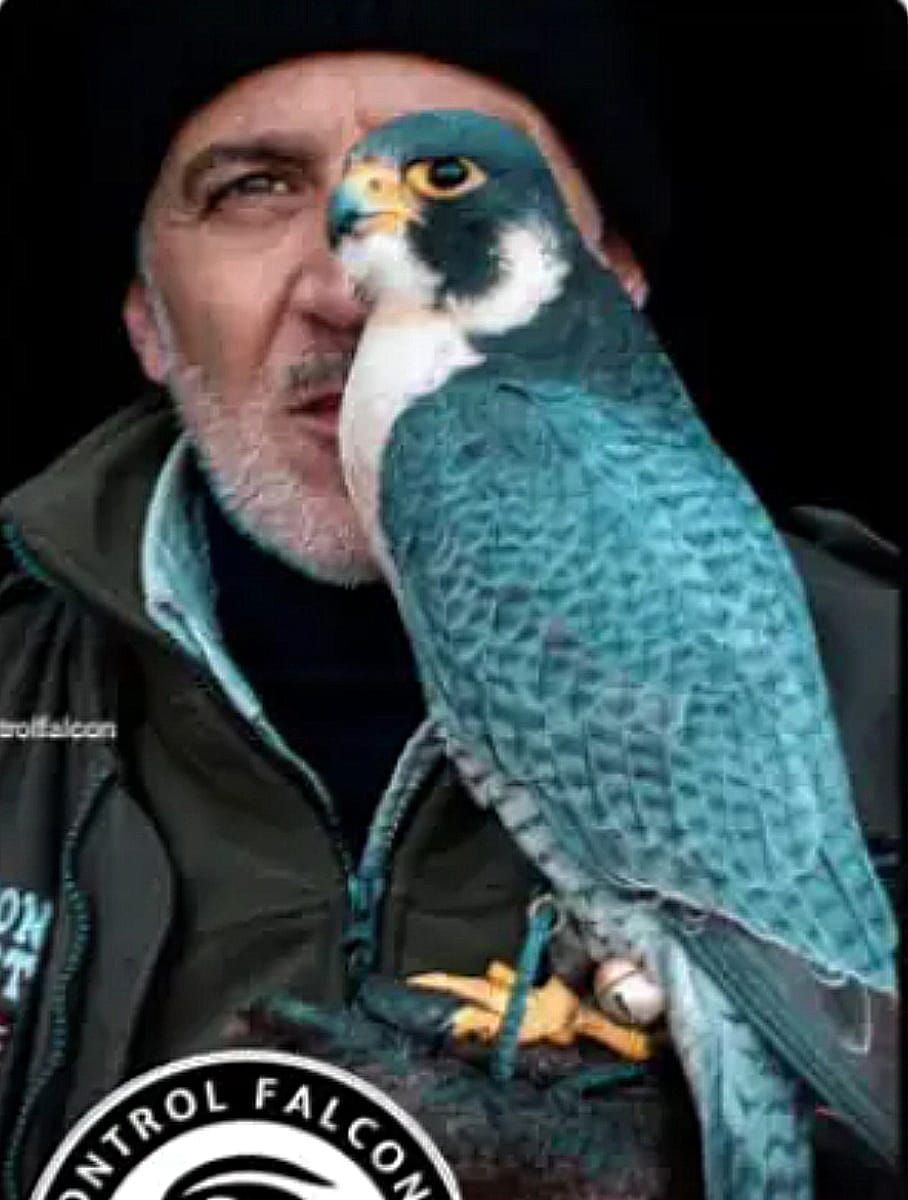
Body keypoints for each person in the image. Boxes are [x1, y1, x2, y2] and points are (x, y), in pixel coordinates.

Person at [0, 3, 898, 1197]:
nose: (346, 286)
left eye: (449, 175)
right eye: (258, 188)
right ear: (142, 317)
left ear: (611, 272)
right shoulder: (18, 716)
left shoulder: (883, 682)